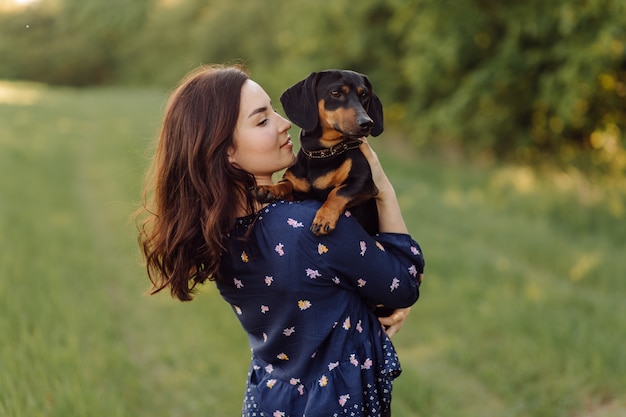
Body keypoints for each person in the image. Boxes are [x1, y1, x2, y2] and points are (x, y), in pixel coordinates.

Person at [137, 64, 425, 417]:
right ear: (225, 149)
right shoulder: (307, 226)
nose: (284, 122)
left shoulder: (218, 232)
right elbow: (403, 284)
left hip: (269, 400)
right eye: (262, 120)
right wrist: (383, 189)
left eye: (274, 109)